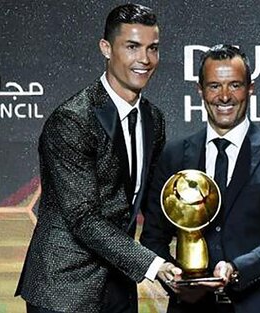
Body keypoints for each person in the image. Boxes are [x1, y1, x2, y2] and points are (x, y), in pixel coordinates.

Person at [15, 4, 181, 313]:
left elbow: (152, 202)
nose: (144, 60)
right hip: (65, 288)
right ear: (106, 48)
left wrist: (190, 257)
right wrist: (154, 265)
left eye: (152, 48)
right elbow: (82, 217)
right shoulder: (72, 120)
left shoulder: (153, 118)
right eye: (132, 47)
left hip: (118, 283)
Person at [140, 44, 260, 313]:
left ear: (250, 88)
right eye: (215, 86)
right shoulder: (173, 156)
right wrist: (172, 276)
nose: (225, 96)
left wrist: (236, 269)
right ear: (200, 90)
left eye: (235, 85)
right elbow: (153, 238)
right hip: (192, 307)